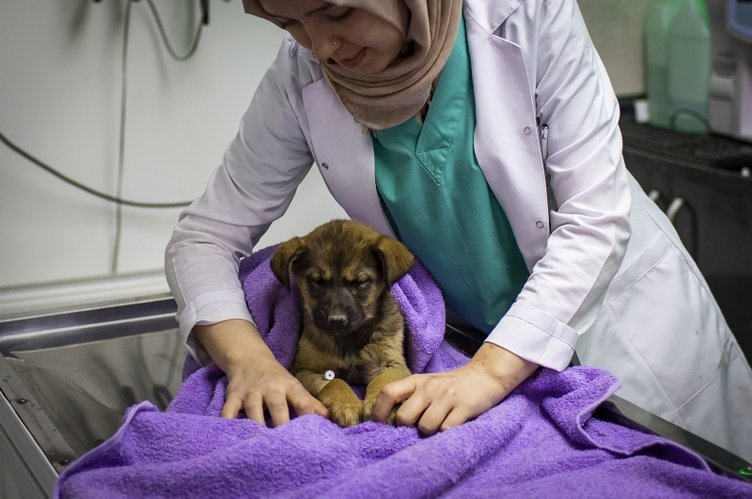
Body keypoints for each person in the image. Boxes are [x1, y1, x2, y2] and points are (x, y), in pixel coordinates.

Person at [165, 0, 752, 460]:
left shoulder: (525, 12)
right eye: (289, 22)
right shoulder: (300, 79)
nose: (322, 46)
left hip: (630, 335)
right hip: (470, 353)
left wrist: (490, 374)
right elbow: (205, 237)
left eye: (338, 11)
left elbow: (595, 218)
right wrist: (250, 360)